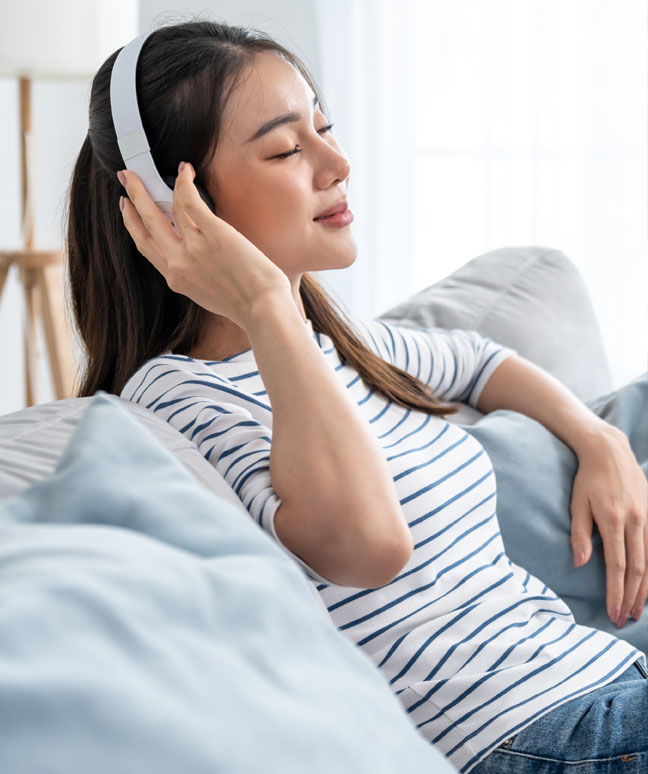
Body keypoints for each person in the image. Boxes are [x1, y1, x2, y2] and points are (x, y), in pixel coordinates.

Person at [65, 19, 648, 774]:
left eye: (325, 127)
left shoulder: (343, 347)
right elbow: (372, 546)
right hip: (539, 741)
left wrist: (599, 441)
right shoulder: (175, 400)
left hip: (606, 687)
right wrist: (266, 304)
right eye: (285, 148)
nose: (336, 162)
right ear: (177, 208)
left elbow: (477, 360)